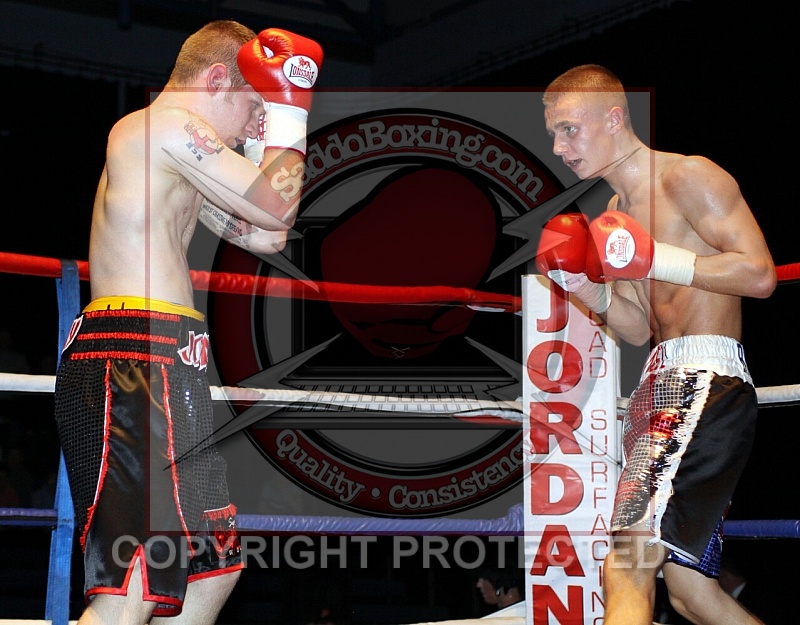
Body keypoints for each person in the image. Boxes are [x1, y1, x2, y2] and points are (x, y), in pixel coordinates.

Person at [53, 20, 322, 625]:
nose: (256, 124)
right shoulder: (164, 127)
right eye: (253, 106)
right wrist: (289, 112)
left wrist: (266, 126)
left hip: (171, 363)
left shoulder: (180, 160)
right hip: (132, 359)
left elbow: (270, 234)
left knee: (212, 568)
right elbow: (275, 203)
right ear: (219, 78)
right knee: (135, 580)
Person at [536, 65, 776, 625]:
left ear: (613, 118)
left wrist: (657, 258)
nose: (559, 148)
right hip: (660, 383)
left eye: (569, 129)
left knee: (627, 562)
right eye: (553, 134)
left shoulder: (688, 176)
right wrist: (585, 289)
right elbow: (636, 326)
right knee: (692, 596)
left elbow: (760, 274)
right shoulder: (612, 217)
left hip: (703, 380)